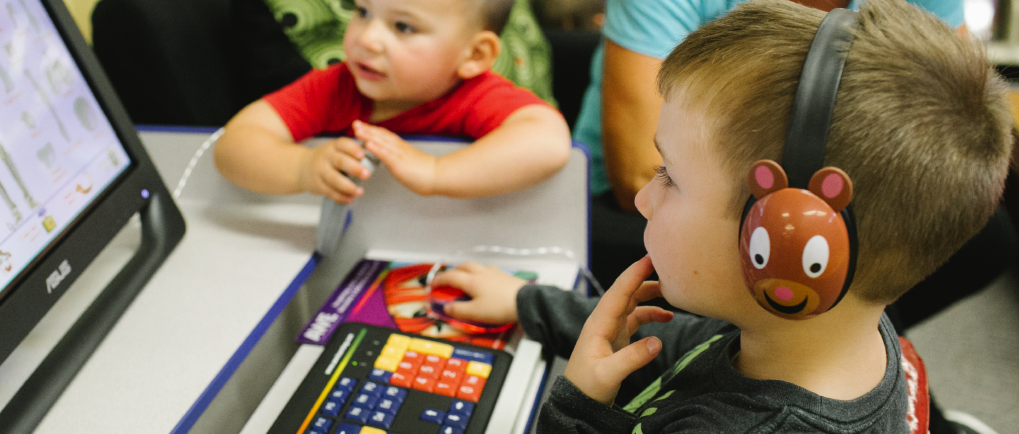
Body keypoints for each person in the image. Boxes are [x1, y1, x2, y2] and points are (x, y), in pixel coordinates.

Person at [430, 0, 1013, 431]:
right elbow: (689, 340)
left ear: (786, 247)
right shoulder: (805, 324)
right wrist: (526, 303)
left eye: (669, 177)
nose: (640, 197)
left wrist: (576, 408)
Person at [213, 0, 571, 204]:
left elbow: (548, 140)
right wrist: (303, 167)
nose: (367, 39)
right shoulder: (337, 87)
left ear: (474, 55)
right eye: (363, 12)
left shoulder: (476, 94)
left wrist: (436, 173)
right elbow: (235, 144)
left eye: (403, 27)